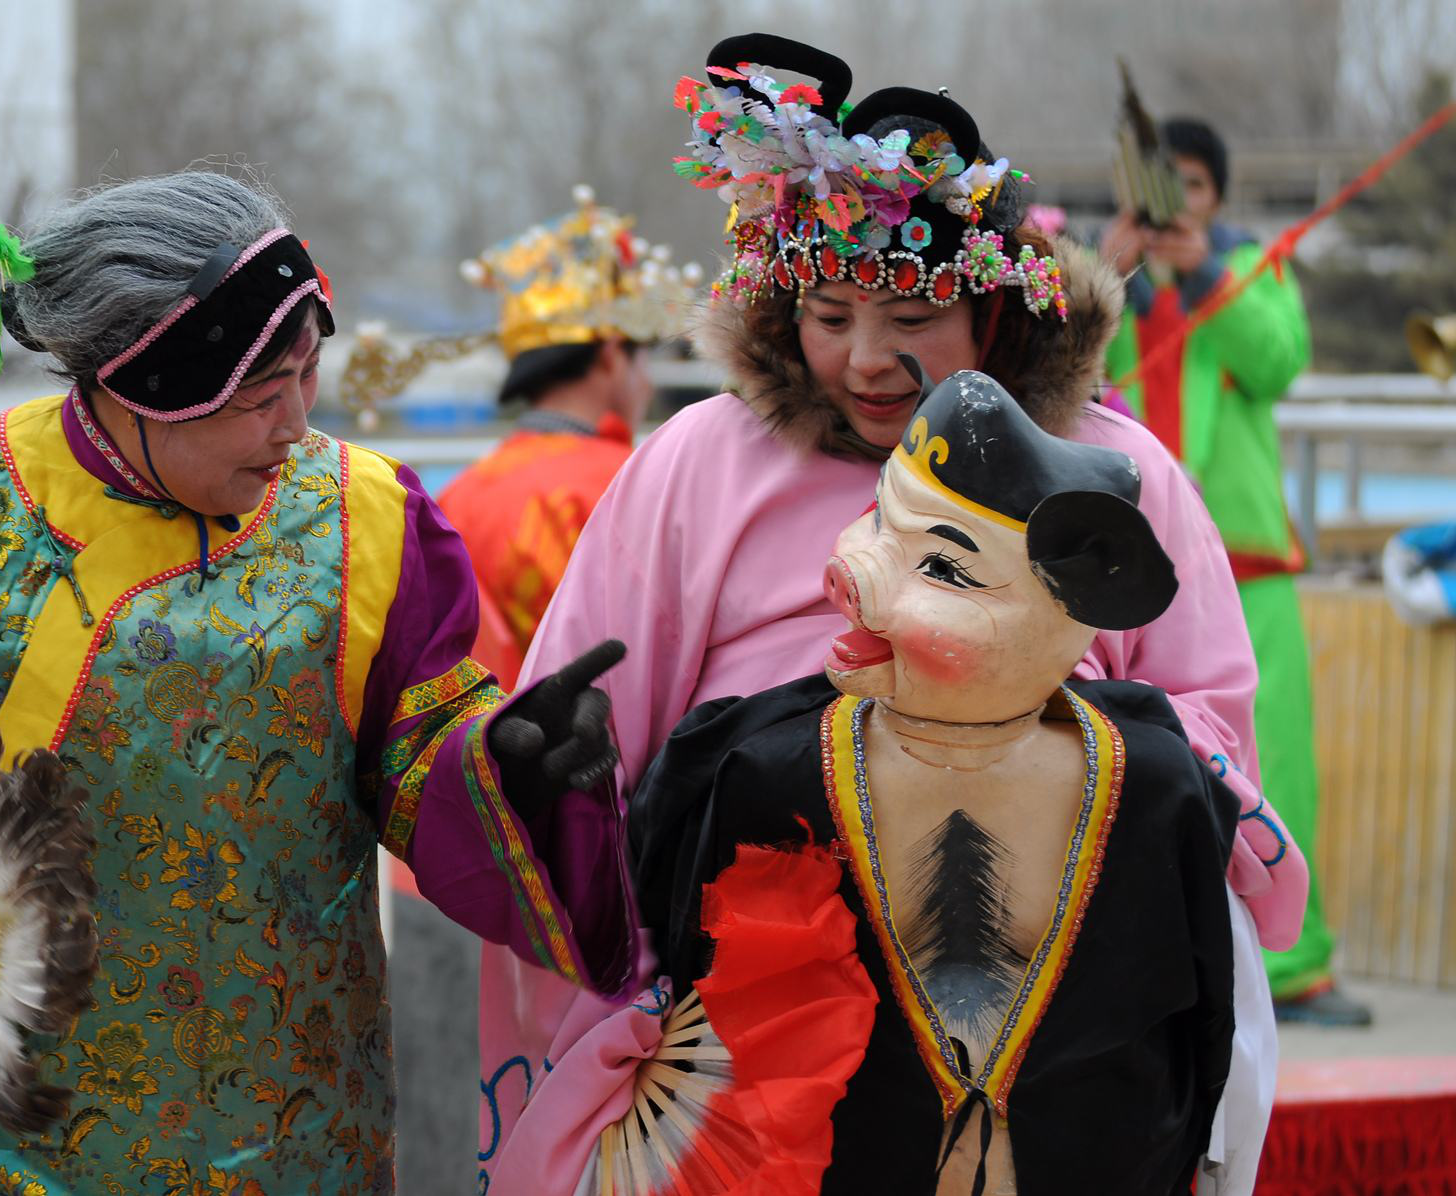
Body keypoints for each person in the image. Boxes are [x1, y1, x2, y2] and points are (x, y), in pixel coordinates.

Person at [477, 34, 1306, 1196]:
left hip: (1061, 1003)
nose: (867, 359)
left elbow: (1207, 725)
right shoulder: (700, 462)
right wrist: (553, 770)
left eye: (911, 315)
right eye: (828, 312)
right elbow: (588, 720)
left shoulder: (1116, 470)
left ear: (995, 314)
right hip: (759, 1010)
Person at [0, 171, 637, 1195]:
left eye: (309, 374)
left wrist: (506, 769)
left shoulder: (368, 520)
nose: (296, 422)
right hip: (27, 1144)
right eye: (261, 391)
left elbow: (416, 755)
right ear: (143, 381)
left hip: (309, 1135)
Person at [631, 367, 1239, 1194]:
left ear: (1070, 607)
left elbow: (1191, 1020)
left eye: (946, 570)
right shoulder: (761, 768)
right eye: (879, 521)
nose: (860, 574)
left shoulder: (1153, 783)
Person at [1100, 117, 1364, 1026]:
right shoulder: (1109, 283)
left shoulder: (1255, 268)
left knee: (1276, 758)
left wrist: (1207, 271)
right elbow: (1068, 379)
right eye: (1158, 189)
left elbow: (1278, 360)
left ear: (1217, 199)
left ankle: (1295, 971)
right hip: (1128, 578)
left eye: (1193, 191)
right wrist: (1109, 275)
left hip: (1247, 565)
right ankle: (1162, 969)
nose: (1175, 209)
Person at [432, 188, 693, 686]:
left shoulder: (456, 494)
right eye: (644, 362)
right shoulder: (630, 484)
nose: (649, 383)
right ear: (614, 354)